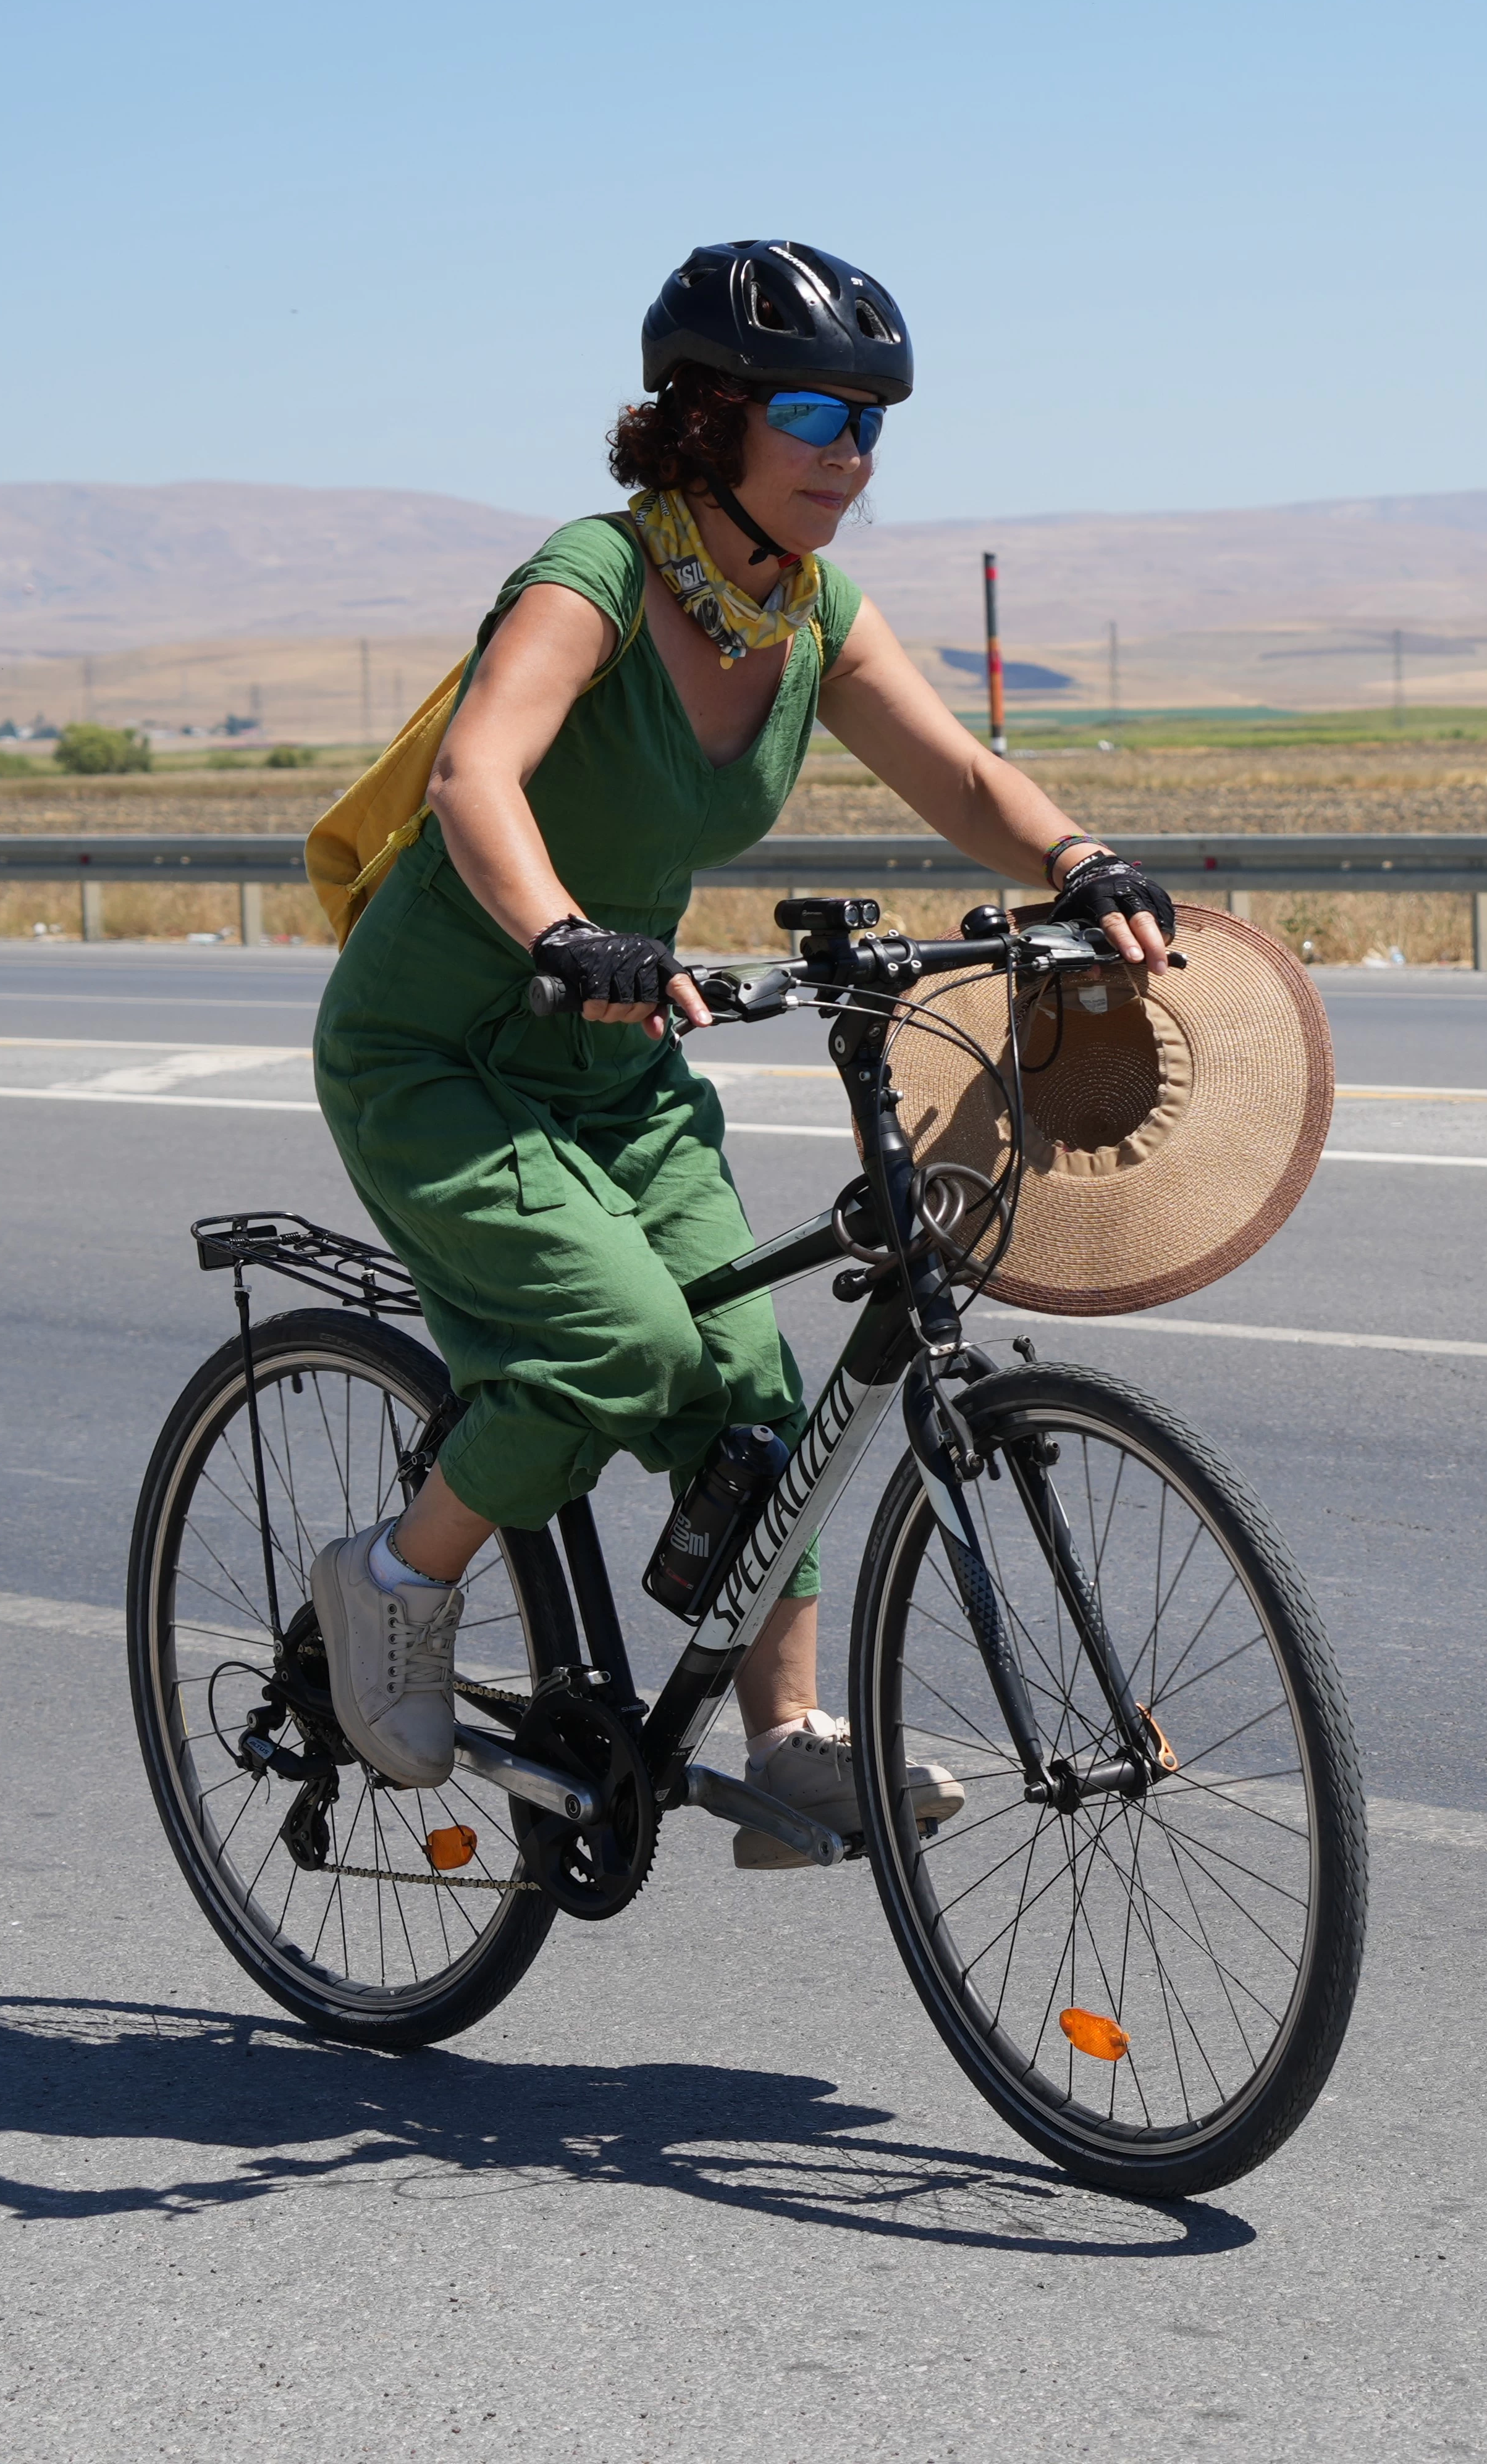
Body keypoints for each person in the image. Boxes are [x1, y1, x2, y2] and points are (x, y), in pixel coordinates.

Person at [305, 239, 1178, 1862]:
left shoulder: (813, 611)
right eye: (810, 411)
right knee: (619, 1348)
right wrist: (566, 933)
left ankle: (789, 1749)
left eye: (870, 423)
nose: (849, 454)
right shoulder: (602, 576)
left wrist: (1076, 861)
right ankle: (392, 1580)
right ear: (707, 417)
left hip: (618, 1062)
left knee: (757, 1388)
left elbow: (962, 776)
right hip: (444, 1048)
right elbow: (476, 778)